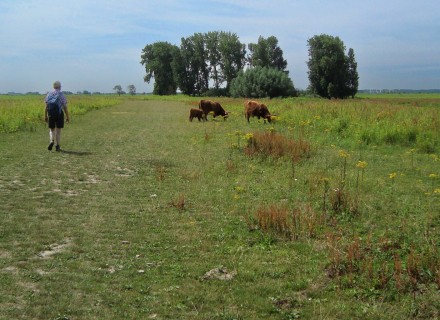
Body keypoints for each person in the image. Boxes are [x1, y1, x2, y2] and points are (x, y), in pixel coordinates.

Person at [44, 81, 70, 151]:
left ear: (53, 87)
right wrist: (67, 117)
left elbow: (46, 106)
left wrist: (45, 116)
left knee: (51, 130)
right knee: (58, 131)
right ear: (60, 87)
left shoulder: (49, 94)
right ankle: (57, 146)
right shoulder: (61, 95)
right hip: (59, 114)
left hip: (51, 114)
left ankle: (51, 141)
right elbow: (65, 107)